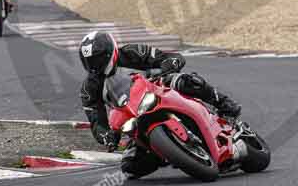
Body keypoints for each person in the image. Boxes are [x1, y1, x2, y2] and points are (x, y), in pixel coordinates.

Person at [78, 31, 241, 178]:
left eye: (98, 58)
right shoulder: (89, 89)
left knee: (187, 81)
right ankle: (168, 152)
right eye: (89, 61)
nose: (95, 64)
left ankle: (223, 103)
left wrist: (170, 65)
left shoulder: (132, 52)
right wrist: (106, 136)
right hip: (133, 115)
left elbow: (168, 58)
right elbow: (96, 120)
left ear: (109, 52)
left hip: (156, 89)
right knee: (130, 166)